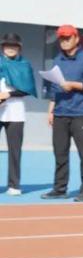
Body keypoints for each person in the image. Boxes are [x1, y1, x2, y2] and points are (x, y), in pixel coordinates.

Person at [42, 25, 83, 202]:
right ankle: (60, 188)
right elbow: (54, 86)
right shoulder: (58, 59)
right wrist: (51, 110)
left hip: (80, 113)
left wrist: (74, 85)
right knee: (60, 153)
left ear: (76, 38)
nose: (64, 41)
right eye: (61, 38)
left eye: (67, 38)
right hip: (60, 113)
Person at [0, 32, 36, 196]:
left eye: (14, 45)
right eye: (7, 45)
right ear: (2, 47)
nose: (10, 48)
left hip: (15, 112)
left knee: (15, 151)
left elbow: (27, 89)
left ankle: (14, 185)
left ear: (19, 48)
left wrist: (9, 95)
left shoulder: (25, 65)